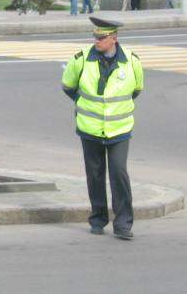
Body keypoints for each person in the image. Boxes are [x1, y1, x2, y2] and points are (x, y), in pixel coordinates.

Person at [61, 17, 144, 240]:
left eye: (101, 37)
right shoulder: (81, 59)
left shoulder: (131, 61)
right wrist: (84, 104)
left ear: (114, 38)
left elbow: (136, 89)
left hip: (119, 130)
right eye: (95, 37)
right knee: (95, 175)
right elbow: (68, 86)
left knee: (119, 173)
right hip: (89, 128)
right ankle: (98, 219)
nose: (96, 40)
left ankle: (123, 224)